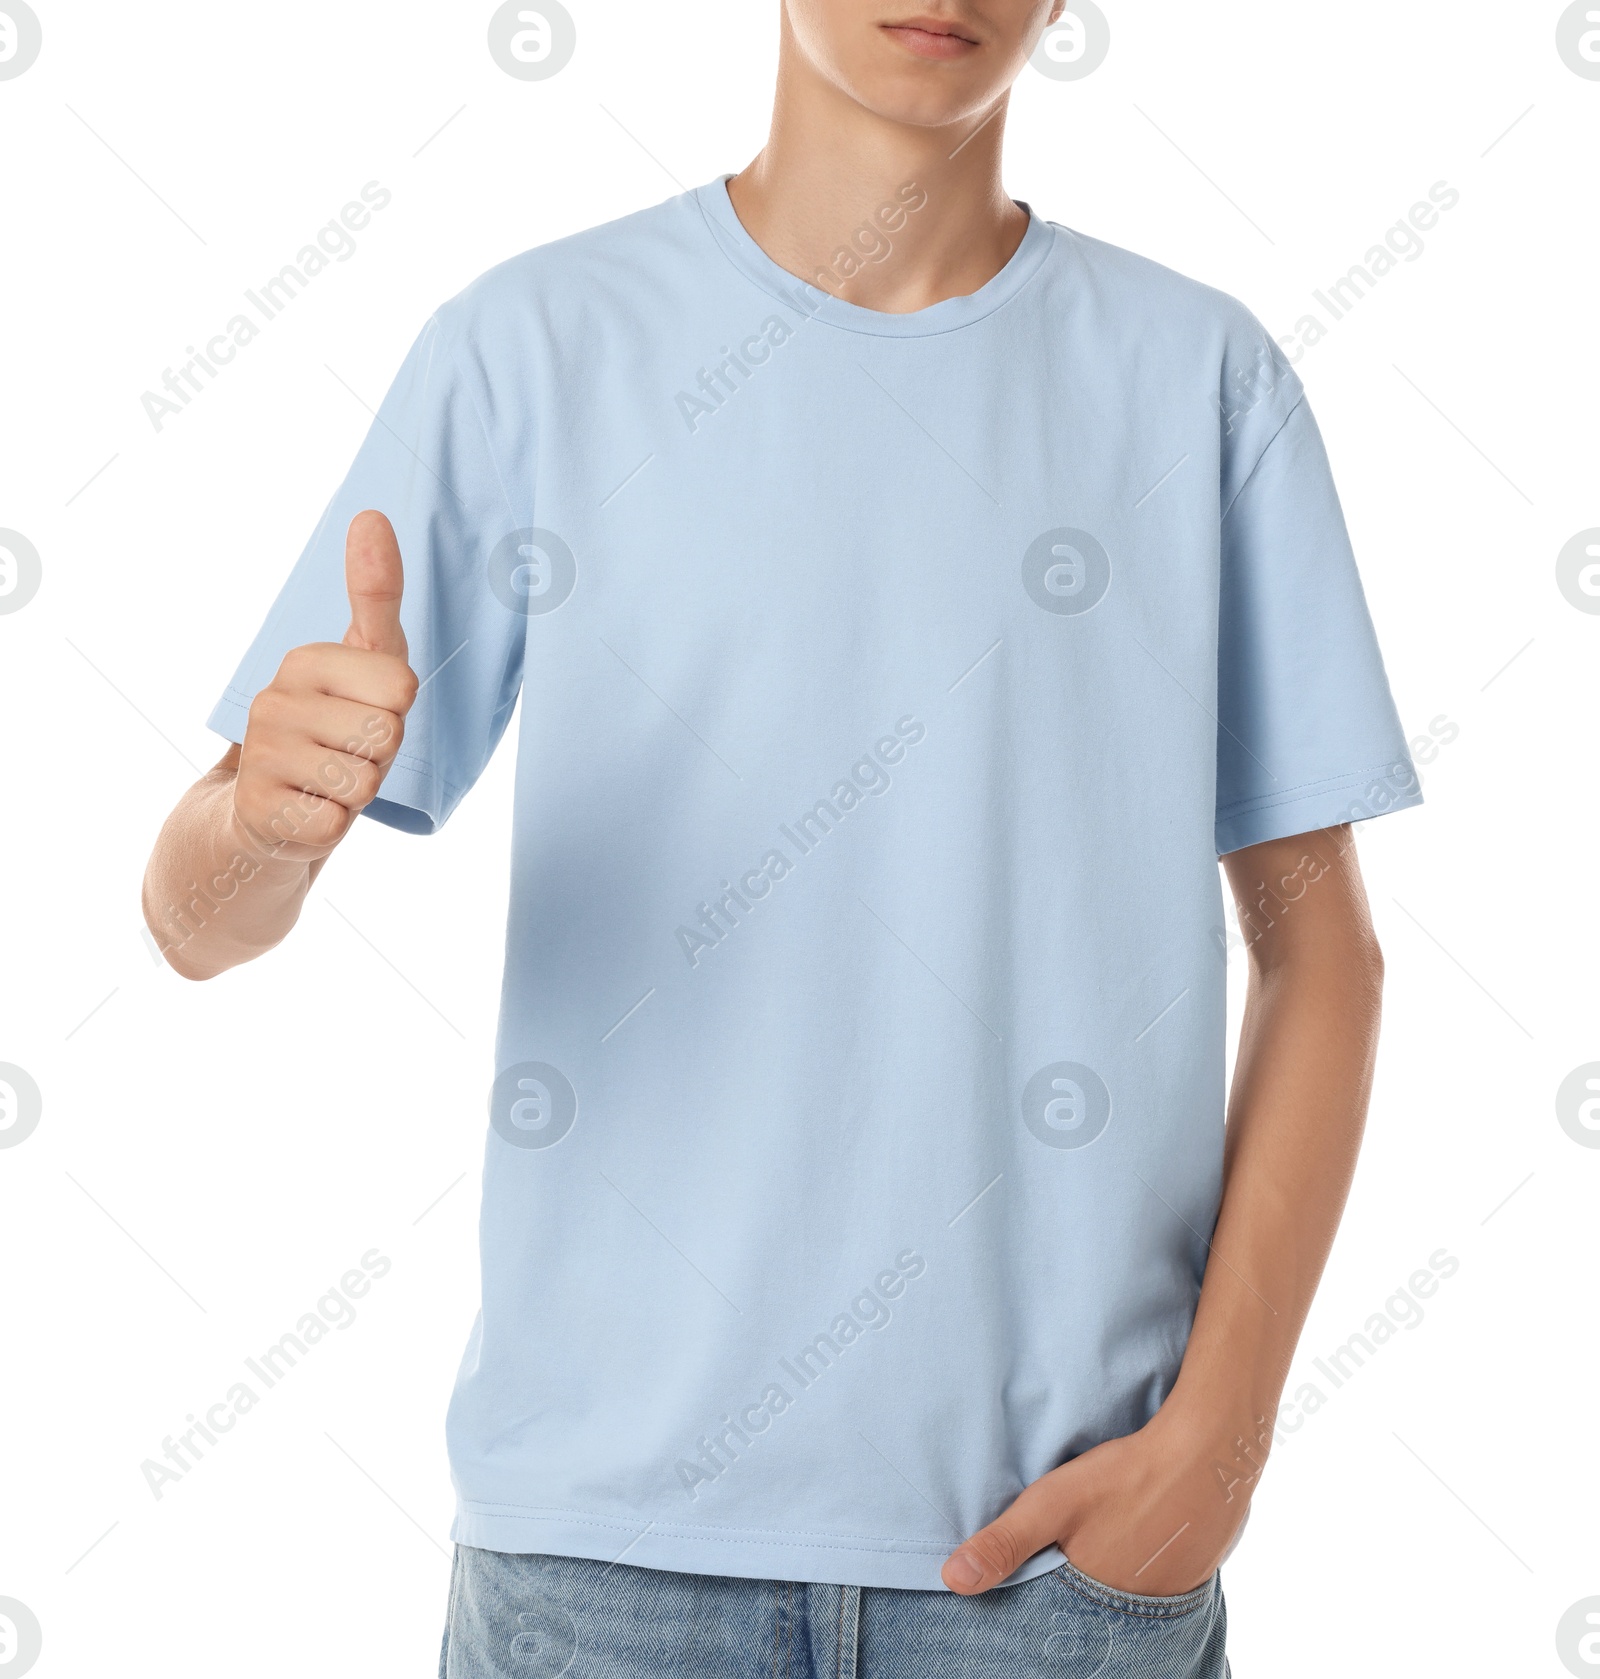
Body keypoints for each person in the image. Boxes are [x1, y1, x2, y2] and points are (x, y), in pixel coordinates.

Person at [142, 3, 1422, 1673]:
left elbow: (1324, 948)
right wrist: (261, 822)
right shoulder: (533, 347)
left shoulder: (1201, 381)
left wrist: (1223, 1440)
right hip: (598, 1571)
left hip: (1053, 1581)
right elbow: (194, 917)